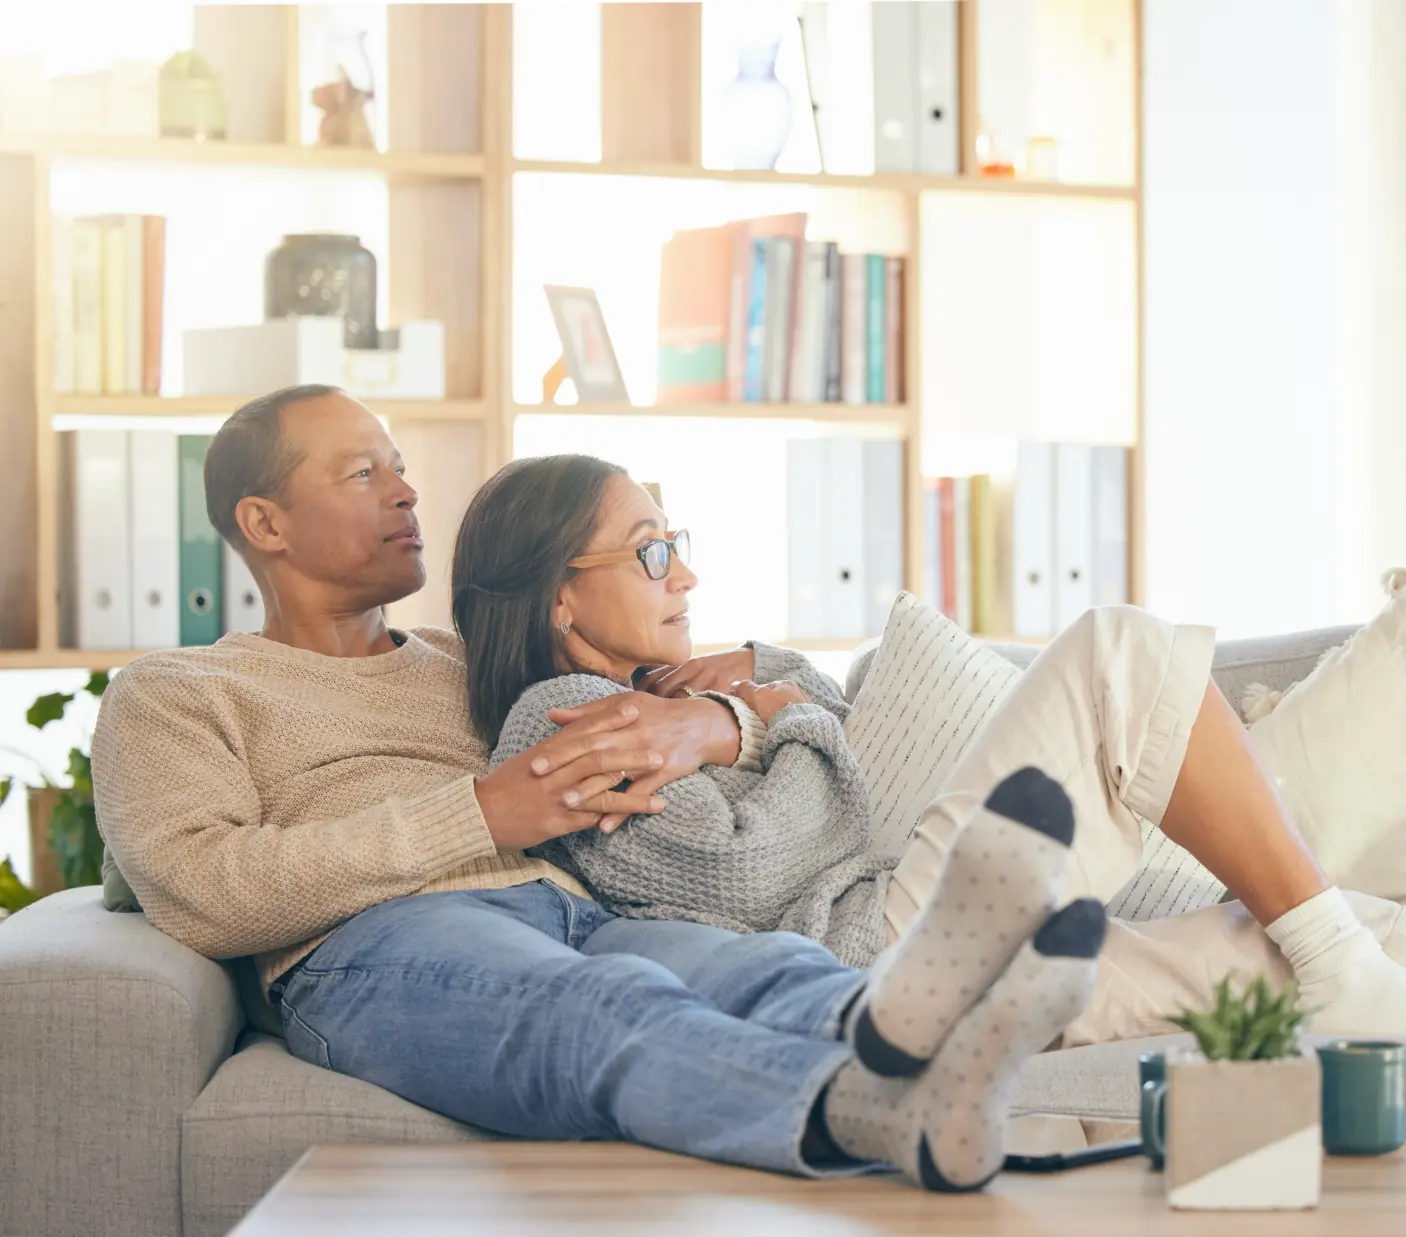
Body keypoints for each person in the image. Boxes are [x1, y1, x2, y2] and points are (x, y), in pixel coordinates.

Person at [451, 450, 1406, 1057]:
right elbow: (745, 871)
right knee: (1123, 656)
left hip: (934, 966)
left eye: (678, 536)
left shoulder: (698, 680)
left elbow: (799, 711)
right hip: (854, 972)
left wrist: (745, 709)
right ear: (558, 593)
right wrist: (765, 720)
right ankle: (1337, 954)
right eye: (647, 547)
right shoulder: (550, 730)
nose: (683, 570)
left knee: (1291, 942)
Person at [90, 384, 1112, 1192]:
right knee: (604, 1009)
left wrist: (720, 715)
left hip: (571, 911)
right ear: (263, 522)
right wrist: (484, 813)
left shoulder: (473, 661)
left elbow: (698, 670)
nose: (405, 492)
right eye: (362, 472)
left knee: (770, 976)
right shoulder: (179, 690)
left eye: (401, 468)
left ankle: (954, 1036)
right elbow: (200, 887)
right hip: (369, 945)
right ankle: (867, 1104)